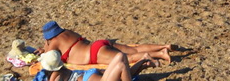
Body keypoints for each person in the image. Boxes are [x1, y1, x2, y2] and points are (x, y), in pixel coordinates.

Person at [39, 21, 174, 71]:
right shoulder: (67, 32)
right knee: (134, 49)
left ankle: (160, 54)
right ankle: (164, 46)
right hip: (98, 44)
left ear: (49, 37)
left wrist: (46, 44)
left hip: (94, 54)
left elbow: (48, 57)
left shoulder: (54, 42)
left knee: (129, 58)